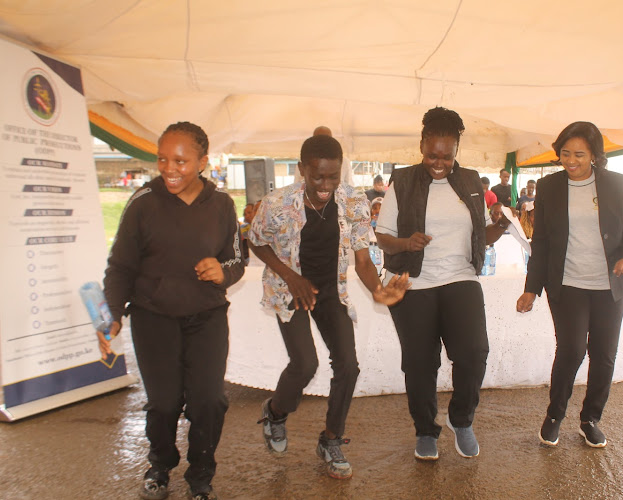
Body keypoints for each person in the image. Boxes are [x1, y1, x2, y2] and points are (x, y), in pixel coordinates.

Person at [248, 134, 409, 480]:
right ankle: (275, 412)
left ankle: (331, 440)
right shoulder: (277, 203)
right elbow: (256, 241)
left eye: (332, 177)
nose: (325, 185)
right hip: (289, 288)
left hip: (330, 289)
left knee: (348, 366)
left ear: (341, 172)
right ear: (302, 169)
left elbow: (363, 260)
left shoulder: (353, 201)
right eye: (317, 176)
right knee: (305, 364)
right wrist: (291, 277)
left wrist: (379, 290)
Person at [99, 122, 245, 500]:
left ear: (202, 162)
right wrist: (112, 313)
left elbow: (236, 259)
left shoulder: (223, 205)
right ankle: (161, 463)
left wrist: (222, 271)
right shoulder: (142, 202)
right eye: (162, 158)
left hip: (207, 316)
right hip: (153, 317)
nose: (169, 168)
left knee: (208, 401)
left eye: (180, 160)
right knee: (163, 403)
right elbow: (120, 266)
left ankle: (201, 474)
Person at [375, 107, 510, 461]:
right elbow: (383, 237)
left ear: (456, 151)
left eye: (447, 156)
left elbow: (483, 235)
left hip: (460, 277)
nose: (438, 162)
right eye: (432, 154)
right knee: (419, 363)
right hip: (413, 282)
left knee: (473, 353)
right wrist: (406, 244)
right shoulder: (402, 182)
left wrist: (500, 223)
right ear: (421, 145)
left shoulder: (470, 182)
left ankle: (460, 420)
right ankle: (425, 430)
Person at [516, 121, 623, 449]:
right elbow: (541, 242)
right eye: (565, 153)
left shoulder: (616, 184)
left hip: (609, 286)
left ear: (594, 156)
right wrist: (532, 288)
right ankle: (555, 415)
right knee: (571, 350)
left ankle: (590, 419)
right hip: (568, 284)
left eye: (579, 155)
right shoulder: (549, 187)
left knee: (603, 355)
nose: (570, 160)